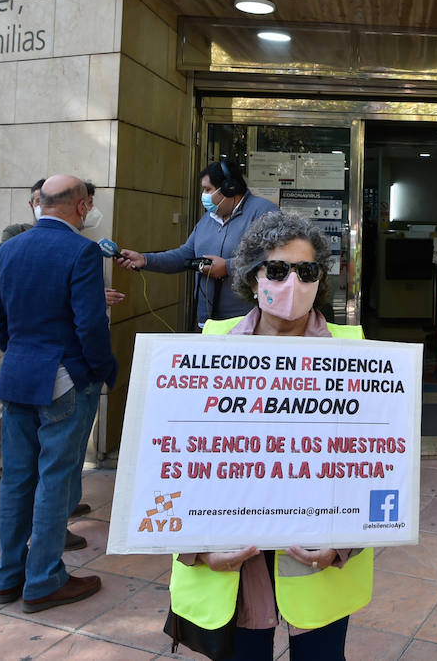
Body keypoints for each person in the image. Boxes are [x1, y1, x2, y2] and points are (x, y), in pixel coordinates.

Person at [169, 211, 372, 660]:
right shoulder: (210, 348)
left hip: (317, 562)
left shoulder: (355, 354)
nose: (292, 284)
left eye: (307, 271)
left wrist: (342, 545)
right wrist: (196, 551)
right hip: (234, 560)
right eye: (278, 270)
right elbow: (172, 464)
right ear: (252, 275)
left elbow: (375, 464)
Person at [0, 175, 118, 613]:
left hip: (18, 377)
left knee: (18, 479)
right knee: (56, 480)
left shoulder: (9, 248)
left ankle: (9, 576)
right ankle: (43, 580)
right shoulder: (81, 250)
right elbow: (91, 325)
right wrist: (100, 370)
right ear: (81, 207)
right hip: (64, 378)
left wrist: (24, 352)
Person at [114, 160, 277, 328]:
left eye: (208, 189)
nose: (204, 196)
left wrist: (227, 267)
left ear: (229, 188)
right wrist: (145, 259)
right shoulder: (208, 218)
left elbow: (273, 260)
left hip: (247, 322)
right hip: (207, 322)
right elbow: (185, 254)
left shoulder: (264, 212)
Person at [0, 179, 45, 502]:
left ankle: (38, 485)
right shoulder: (15, 233)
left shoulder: (73, 239)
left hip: (46, 343)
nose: (41, 205)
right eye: (37, 199)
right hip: (14, 337)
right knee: (3, 409)